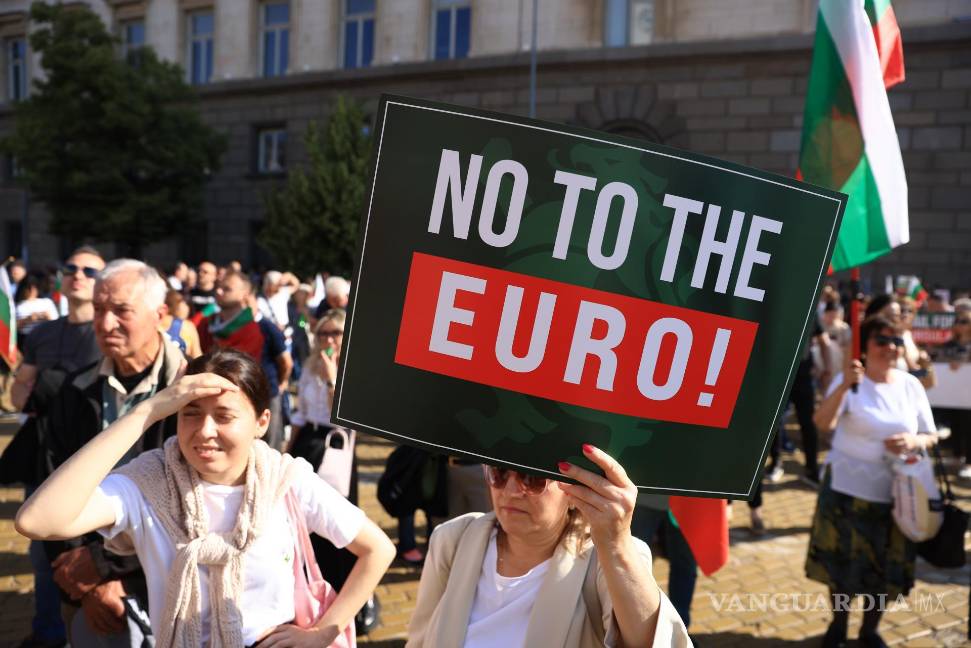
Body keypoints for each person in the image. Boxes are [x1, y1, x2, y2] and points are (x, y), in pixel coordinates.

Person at [16, 348, 396, 647]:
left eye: (224, 416)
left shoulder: (286, 481)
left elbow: (378, 549)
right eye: (190, 414)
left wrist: (323, 632)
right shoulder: (149, 484)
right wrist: (146, 412)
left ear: (262, 422)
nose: (204, 431)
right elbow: (37, 521)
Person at [38, 259, 187, 646]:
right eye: (99, 309)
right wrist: (83, 579)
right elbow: (52, 481)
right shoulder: (77, 388)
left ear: (160, 315)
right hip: (83, 581)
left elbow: (201, 502)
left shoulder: (191, 393)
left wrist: (109, 566)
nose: (105, 324)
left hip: (170, 584)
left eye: (121, 310)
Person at [406, 446, 690, 647]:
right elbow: (419, 640)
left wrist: (616, 544)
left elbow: (655, 642)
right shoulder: (453, 540)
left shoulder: (605, 560)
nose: (511, 491)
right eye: (499, 473)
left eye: (532, 478)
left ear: (574, 491)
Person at [806, 315, 937, 648]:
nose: (890, 348)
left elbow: (931, 434)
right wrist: (843, 386)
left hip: (896, 495)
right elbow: (822, 423)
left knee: (884, 570)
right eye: (882, 340)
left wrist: (913, 441)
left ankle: (869, 630)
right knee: (842, 569)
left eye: (897, 341)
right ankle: (838, 626)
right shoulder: (850, 380)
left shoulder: (910, 384)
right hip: (846, 492)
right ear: (865, 345)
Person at [6, 247, 105, 648]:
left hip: (95, 455)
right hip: (46, 452)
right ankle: (49, 634)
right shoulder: (43, 333)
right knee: (41, 551)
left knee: (95, 548)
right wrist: (25, 384)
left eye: (89, 271)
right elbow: (17, 398)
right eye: (71, 268)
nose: (78, 275)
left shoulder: (109, 333)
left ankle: (92, 631)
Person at [198, 270, 292, 450]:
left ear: (245, 294)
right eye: (218, 287)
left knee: (265, 449)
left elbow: (285, 361)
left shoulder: (260, 327)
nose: (219, 291)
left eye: (227, 288)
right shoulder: (206, 324)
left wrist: (281, 383)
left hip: (260, 394)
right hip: (218, 396)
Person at [938, 313, 971, 479]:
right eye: (957, 321)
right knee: (956, 424)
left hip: (969, 392)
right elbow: (940, 360)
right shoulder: (949, 344)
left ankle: (969, 463)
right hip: (953, 393)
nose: (960, 324)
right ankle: (957, 456)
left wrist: (964, 364)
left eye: (964, 321)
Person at [15, 275, 60, 341]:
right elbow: (12, 328)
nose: (32, 291)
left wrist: (47, 317)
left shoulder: (47, 302)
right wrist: (28, 319)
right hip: (24, 338)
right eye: (29, 288)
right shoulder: (17, 306)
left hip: (45, 337)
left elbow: (57, 324)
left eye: (34, 288)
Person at [161, 290, 202, 359]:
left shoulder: (153, 323)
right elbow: (197, 357)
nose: (187, 308)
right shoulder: (187, 326)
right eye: (184, 303)